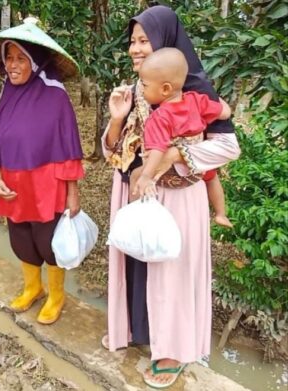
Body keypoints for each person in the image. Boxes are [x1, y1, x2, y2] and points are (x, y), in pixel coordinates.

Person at [102, 5, 241, 389]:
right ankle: (135, 331)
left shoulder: (195, 91)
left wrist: (177, 154)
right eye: (132, 41)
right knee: (137, 267)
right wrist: (115, 120)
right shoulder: (134, 89)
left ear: (165, 40)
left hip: (177, 200)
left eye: (144, 40)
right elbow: (113, 152)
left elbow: (229, 148)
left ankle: (172, 352)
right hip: (133, 195)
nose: (134, 48)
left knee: (170, 274)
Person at [0, 19, 84, 325]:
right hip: (13, 182)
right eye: (9, 58)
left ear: (35, 61)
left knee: (48, 240)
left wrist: (73, 192)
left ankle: (56, 295)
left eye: (21, 58)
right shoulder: (9, 91)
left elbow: (69, 144)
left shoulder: (55, 94)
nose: (13, 65)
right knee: (20, 238)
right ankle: (33, 287)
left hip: (47, 182)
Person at [129, 47, 232, 200]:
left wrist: (145, 176)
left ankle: (134, 214)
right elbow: (225, 113)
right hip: (194, 174)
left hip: (169, 176)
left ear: (165, 89)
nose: (142, 90)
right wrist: (212, 92)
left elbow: (157, 150)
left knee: (135, 176)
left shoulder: (159, 117)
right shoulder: (197, 100)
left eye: (144, 85)